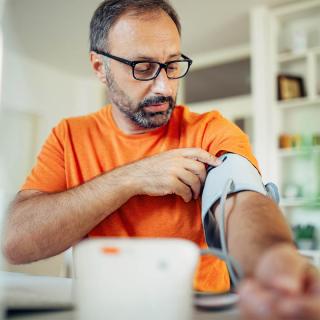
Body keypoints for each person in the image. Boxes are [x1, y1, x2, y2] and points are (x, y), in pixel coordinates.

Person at [3, 0, 320, 318]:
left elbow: (242, 201)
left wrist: (272, 258)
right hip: (102, 309)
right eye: (142, 68)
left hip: (196, 310)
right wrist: (132, 178)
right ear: (100, 67)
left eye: (172, 65)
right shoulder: (70, 135)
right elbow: (16, 243)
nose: (164, 87)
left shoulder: (210, 129)